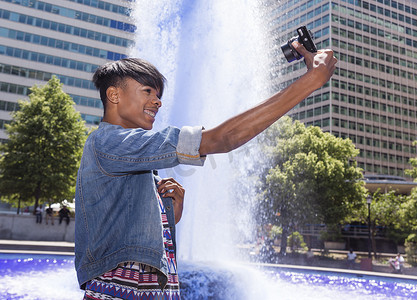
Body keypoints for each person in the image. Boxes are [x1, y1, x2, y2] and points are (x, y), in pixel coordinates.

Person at [75, 43, 336, 299]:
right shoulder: (108, 143)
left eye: (159, 96)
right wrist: (311, 81)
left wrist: (166, 218)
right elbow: (223, 139)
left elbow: (124, 234)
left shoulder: (130, 157)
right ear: (114, 95)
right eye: (148, 92)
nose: (157, 102)